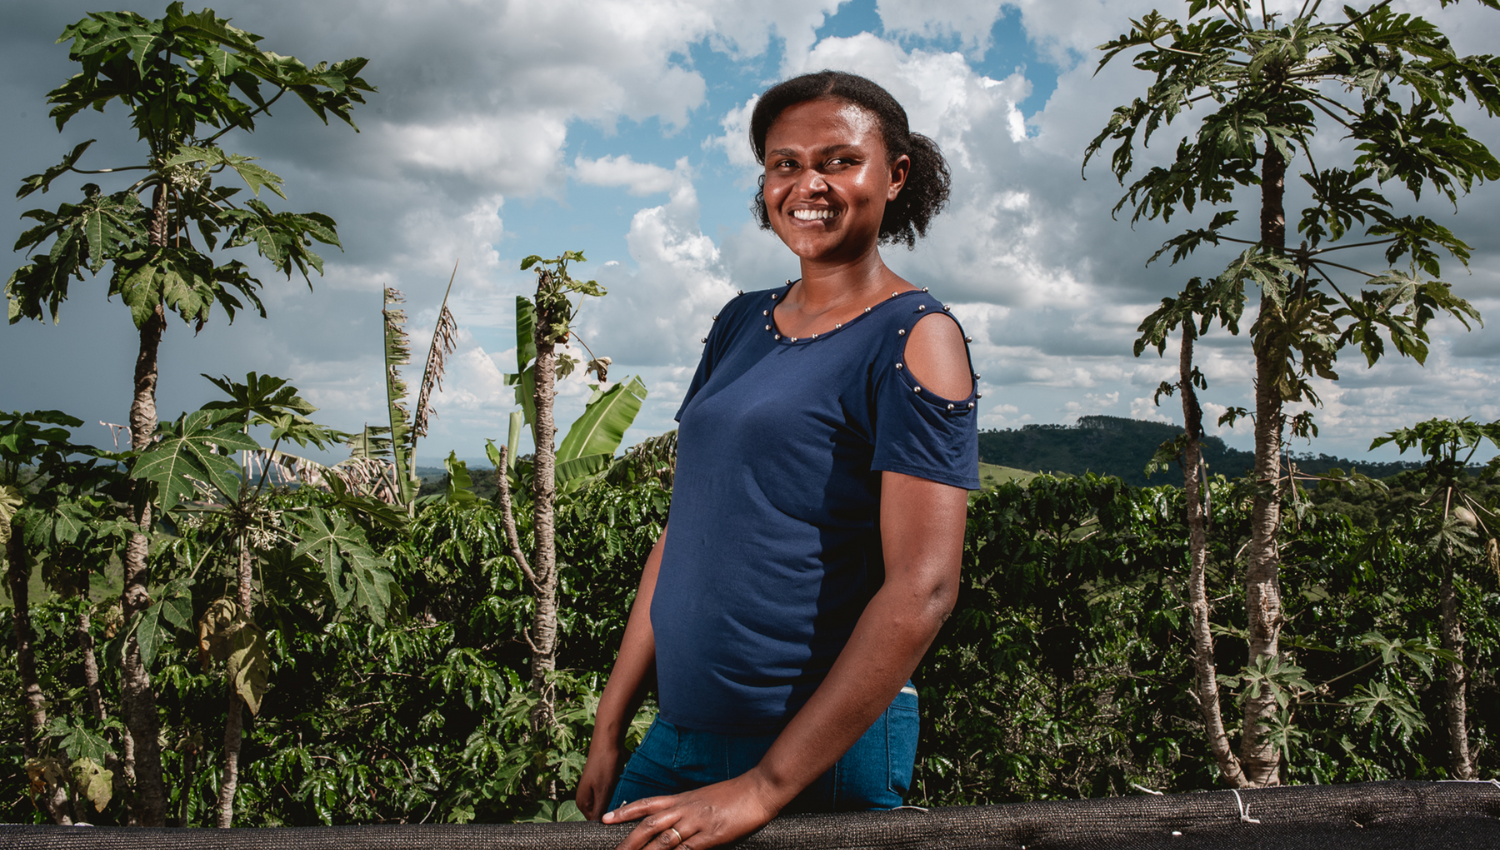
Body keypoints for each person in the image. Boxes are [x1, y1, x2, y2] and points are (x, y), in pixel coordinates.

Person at [575, 70, 980, 850]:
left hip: (814, 753)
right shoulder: (739, 322)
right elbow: (683, 530)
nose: (808, 185)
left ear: (895, 175)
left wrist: (762, 789)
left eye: (837, 160)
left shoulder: (914, 336)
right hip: (682, 734)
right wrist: (611, 721)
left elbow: (924, 588)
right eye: (784, 164)